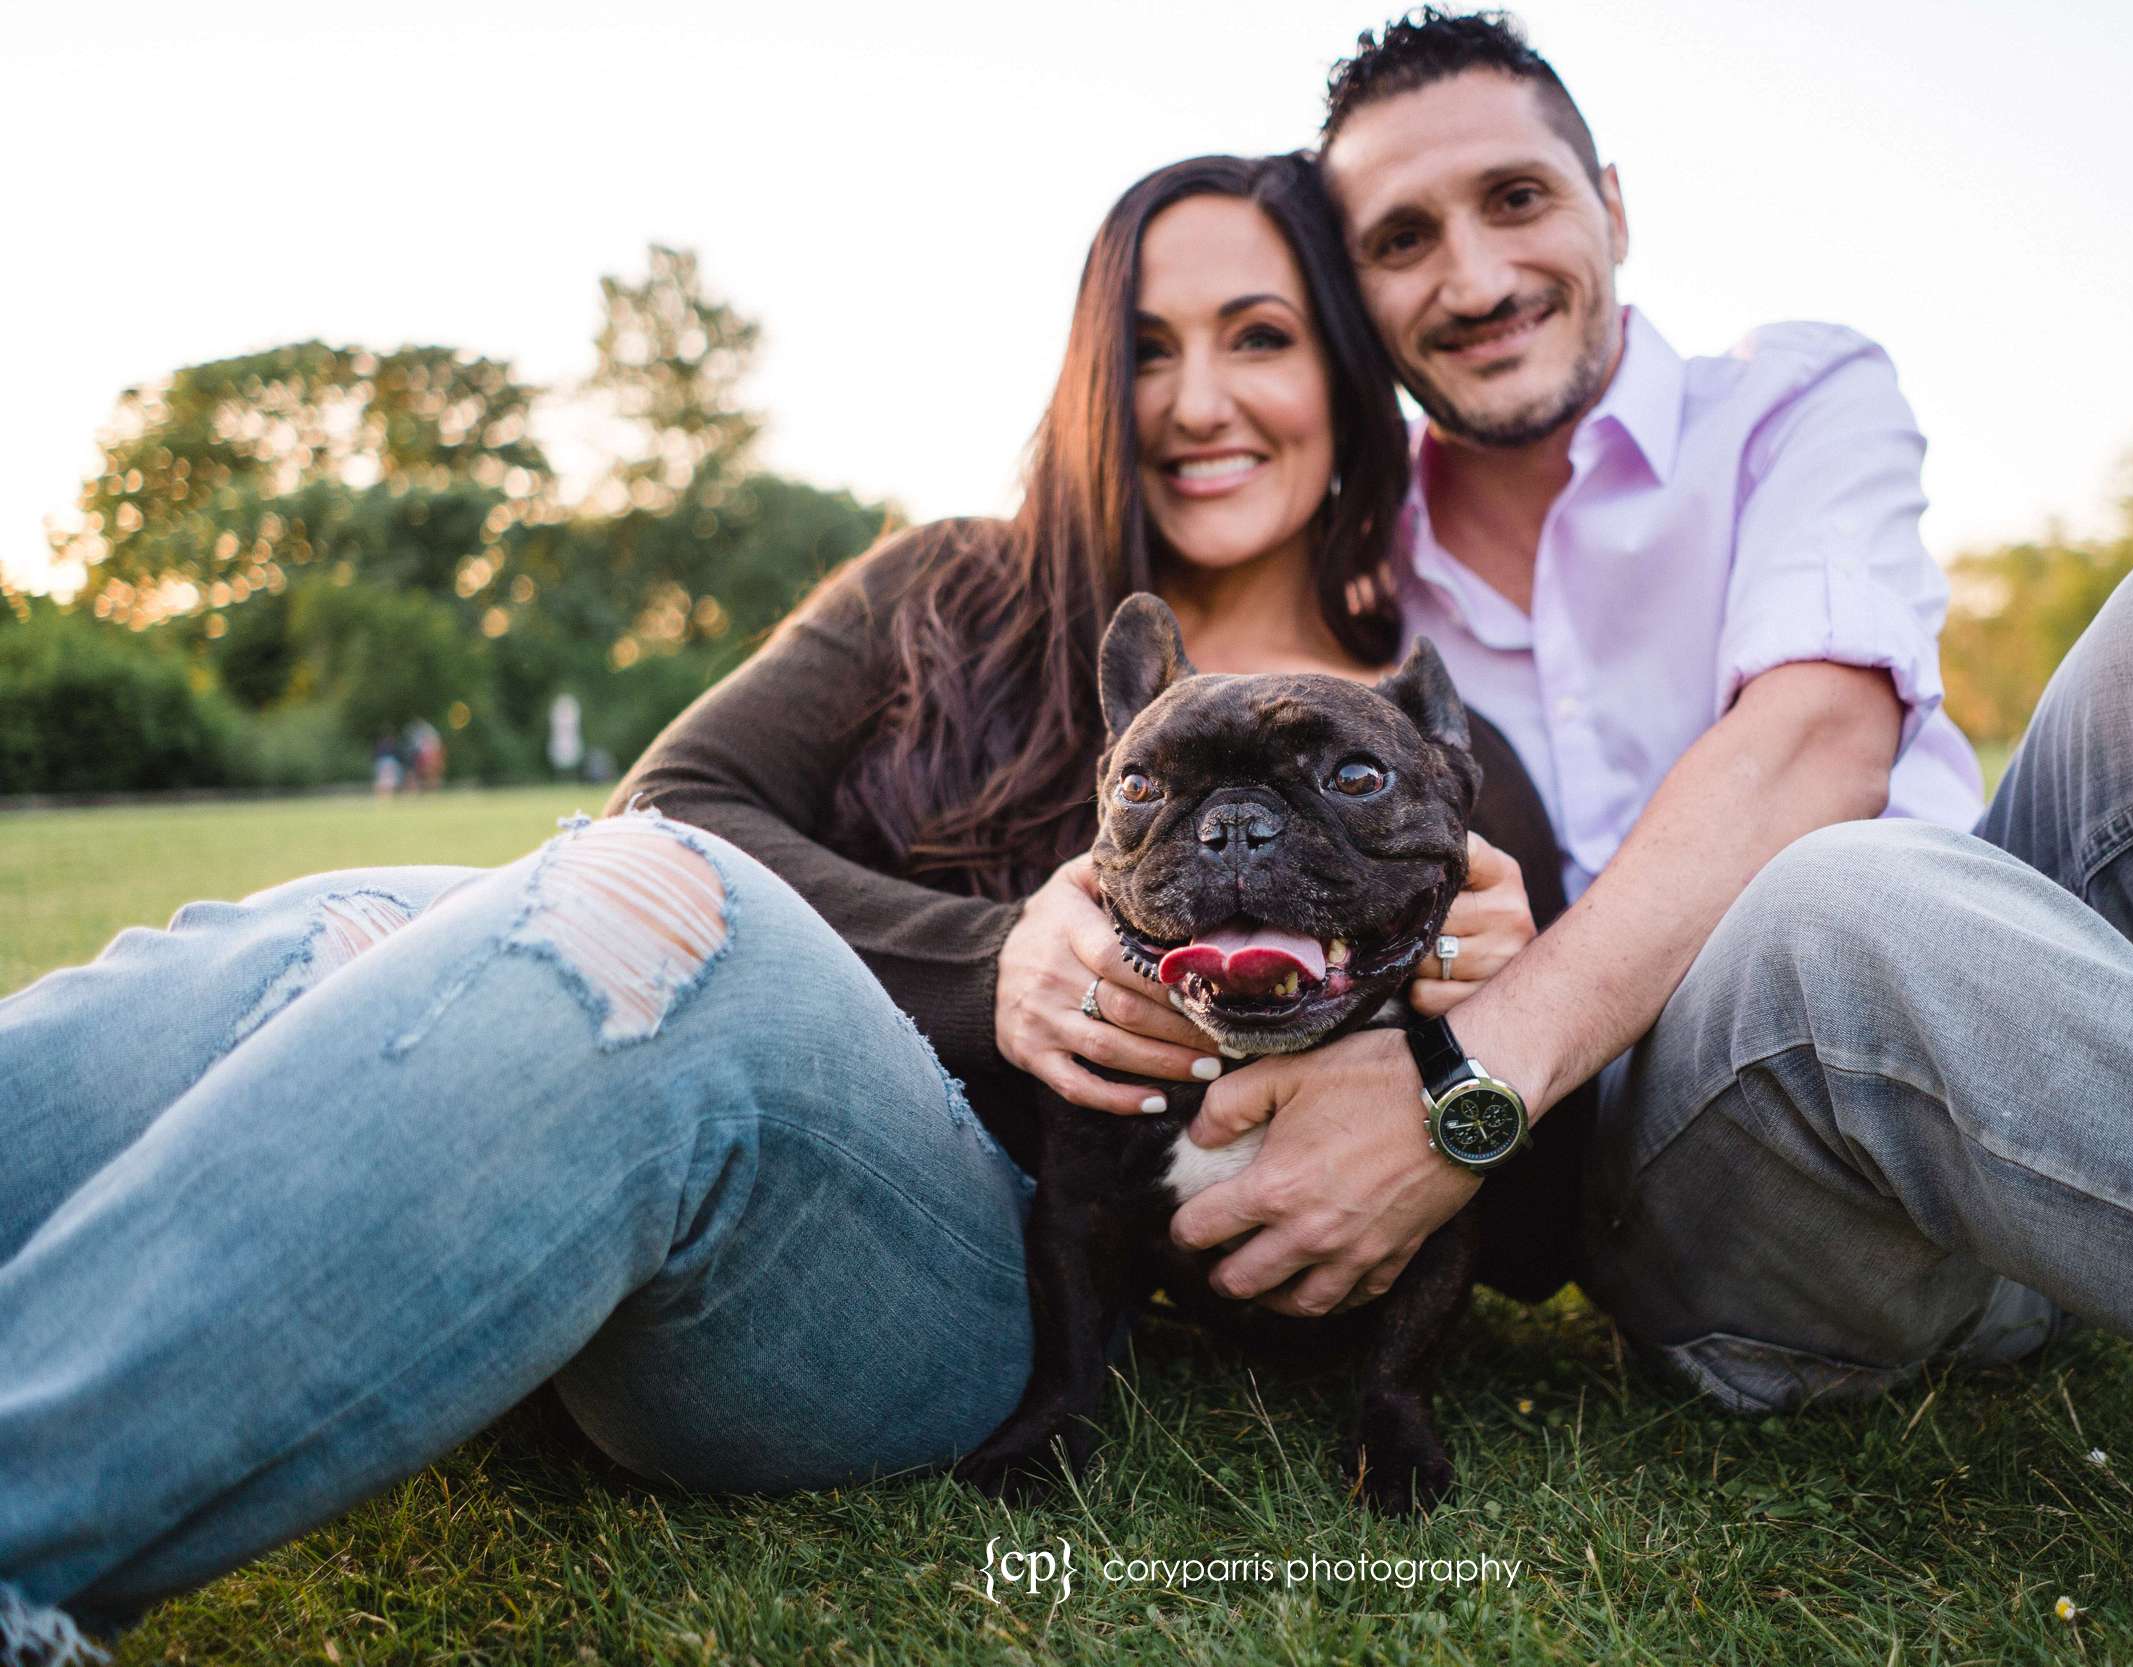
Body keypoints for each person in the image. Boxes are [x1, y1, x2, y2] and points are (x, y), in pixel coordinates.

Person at [0, 154, 1566, 1652]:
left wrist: (1458, 1034)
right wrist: (999, 951)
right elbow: (670, 800)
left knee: (640, 910)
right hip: (735, 1138)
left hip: (942, 1287)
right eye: (1144, 348)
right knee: (352, 917)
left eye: (1263, 338)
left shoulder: (1436, 733)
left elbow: (1566, 1151)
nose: (1198, 399)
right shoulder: (946, 590)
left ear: (1350, 373)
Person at [1163, 8, 2133, 1480]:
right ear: (1356, 293)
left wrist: (1464, 1083)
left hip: (2051, 1060)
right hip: (1724, 1210)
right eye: (1402, 239)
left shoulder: (1794, 400)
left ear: (1611, 203)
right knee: (1844, 909)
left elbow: (1816, 747)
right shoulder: (1354, 587)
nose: (1476, 276)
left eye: (1518, 199)